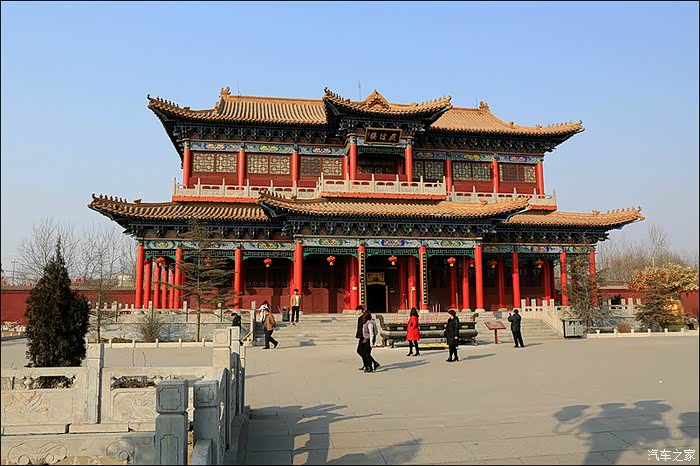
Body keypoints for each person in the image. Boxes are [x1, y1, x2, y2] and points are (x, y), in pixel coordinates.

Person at [355, 306, 379, 371]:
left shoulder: (366, 320)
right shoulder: (362, 318)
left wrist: (370, 340)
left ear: (360, 310)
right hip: (363, 337)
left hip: (365, 338)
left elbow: (372, 331)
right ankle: (371, 363)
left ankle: (367, 365)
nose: (356, 312)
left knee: (364, 352)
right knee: (362, 352)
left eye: (357, 310)